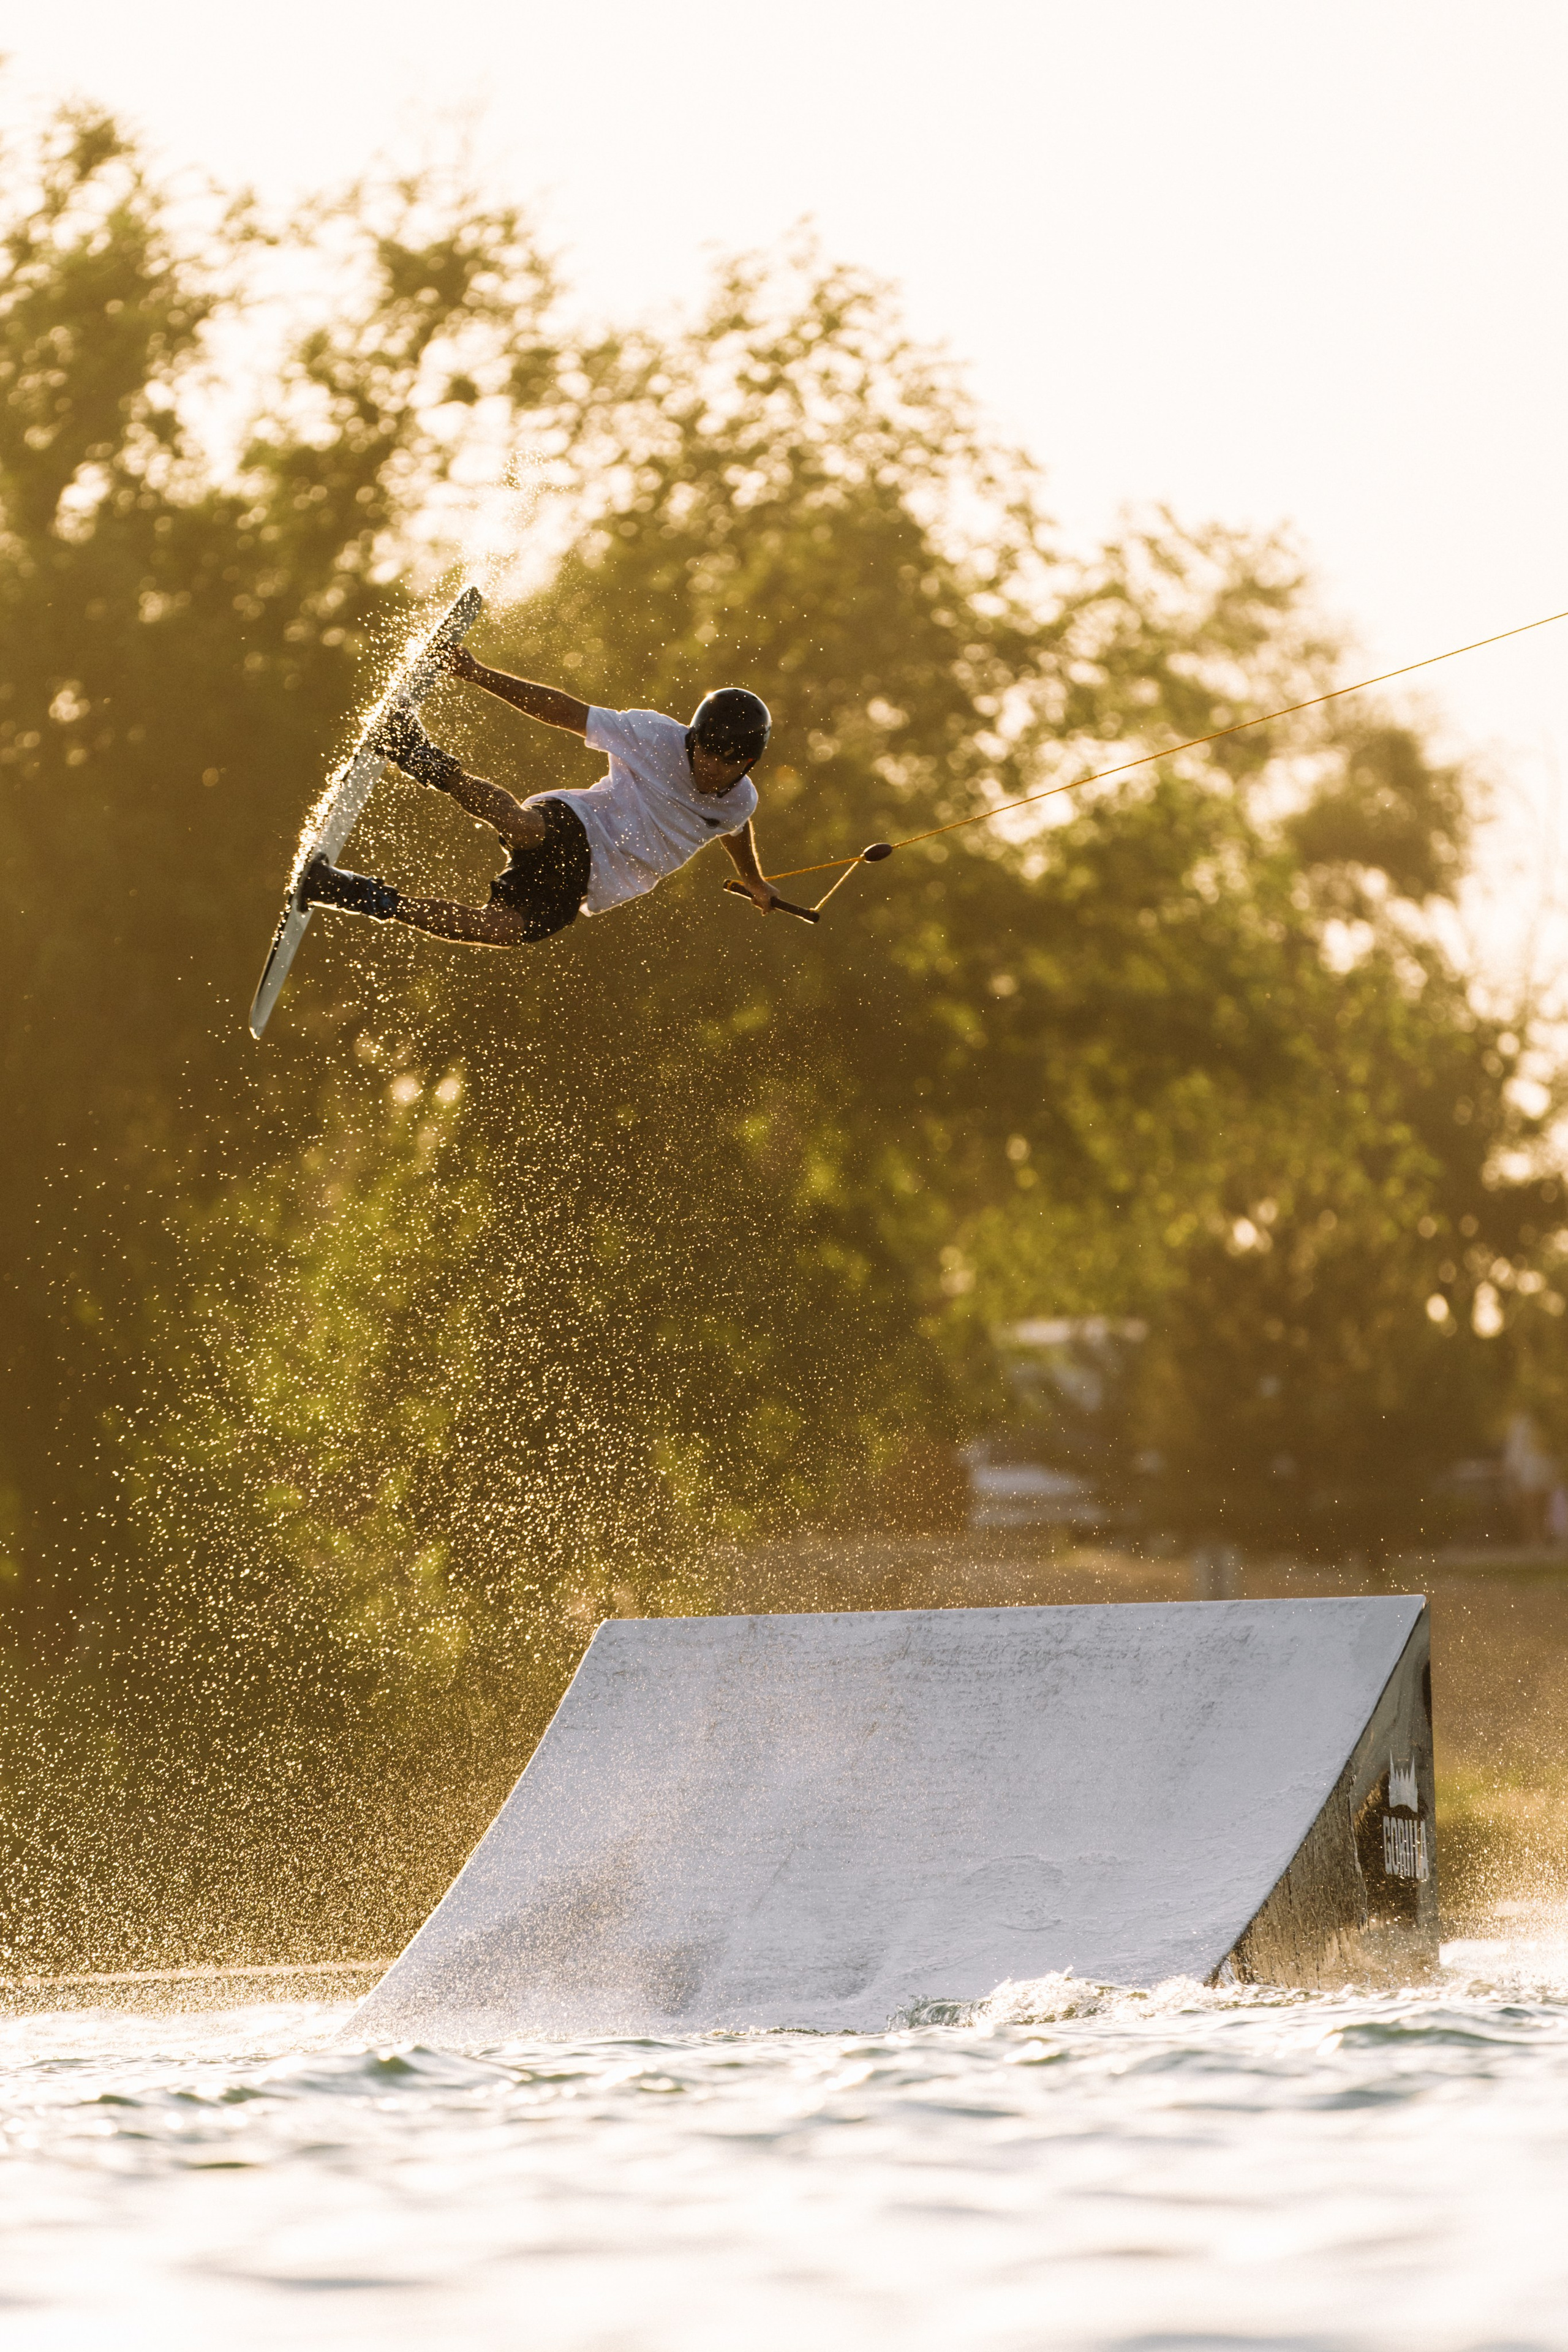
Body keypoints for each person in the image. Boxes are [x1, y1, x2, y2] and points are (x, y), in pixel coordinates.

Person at [300, 647, 785, 946]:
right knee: (523, 825)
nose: (708, 767)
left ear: (747, 764)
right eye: (703, 751)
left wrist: (756, 881)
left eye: (724, 762)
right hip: (583, 824)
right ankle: (415, 752)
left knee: (497, 929)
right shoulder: (654, 736)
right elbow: (565, 711)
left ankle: (350, 892)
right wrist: (474, 672)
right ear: (694, 738)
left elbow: (735, 829)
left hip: (592, 886)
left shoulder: (739, 802)